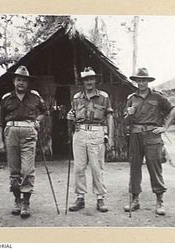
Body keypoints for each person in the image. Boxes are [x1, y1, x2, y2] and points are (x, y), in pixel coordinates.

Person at [124, 67, 175, 215]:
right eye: (139, 80)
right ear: (136, 81)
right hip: (135, 135)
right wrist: (129, 114)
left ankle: (160, 201)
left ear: (148, 81)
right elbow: (125, 119)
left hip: (152, 135)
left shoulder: (158, 97)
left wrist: (164, 128)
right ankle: (135, 200)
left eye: (144, 80)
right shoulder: (131, 98)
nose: (141, 83)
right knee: (134, 167)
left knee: (154, 167)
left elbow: (173, 110)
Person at [0, 65, 47, 218]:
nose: (21, 83)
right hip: (11, 133)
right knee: (14, 171)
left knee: (27, 169)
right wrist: (0, 142)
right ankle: (17, 200)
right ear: (14, 81)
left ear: (28, 83)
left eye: (24, 80)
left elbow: (45, 111)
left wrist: (37, 120)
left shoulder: (35, 96)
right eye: (19, 80)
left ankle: (26, 202)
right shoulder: (6, 98)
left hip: (29, 134)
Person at [67, 67, 114, 213]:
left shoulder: (103, 97)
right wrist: (70, 117)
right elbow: (72, 114)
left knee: (97, 168)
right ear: (83, 81)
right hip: (80, 132)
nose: (89, 82)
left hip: (96, 132)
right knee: (79, 168)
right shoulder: (76, 98)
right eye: (86, 79)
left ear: (95, 80)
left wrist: (111, 136)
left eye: (91, 78)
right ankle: (80, 198)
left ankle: (100, 198)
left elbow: (109, 117)